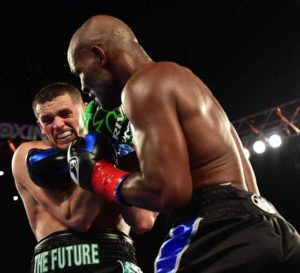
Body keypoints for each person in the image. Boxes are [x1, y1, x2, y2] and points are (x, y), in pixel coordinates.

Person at [66, 15, 300, 273]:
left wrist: (98, 176)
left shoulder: (142, 85)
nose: (84, 86)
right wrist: (114, 159)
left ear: (100, 55)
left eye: (80, 72)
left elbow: (168, 191)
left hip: (219, 230)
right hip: (274, 229)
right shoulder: (180, 80)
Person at [11, 82, 156, 273]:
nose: (58, 124)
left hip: (116, 258)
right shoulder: (28, 155)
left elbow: (142, 221)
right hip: (54, 262)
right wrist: (100, 150)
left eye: (65, 113)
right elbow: (76, 218)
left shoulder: (122, 149)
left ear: (84, 110)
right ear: (40, 126)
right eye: (47, 119)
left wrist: (113, 151)